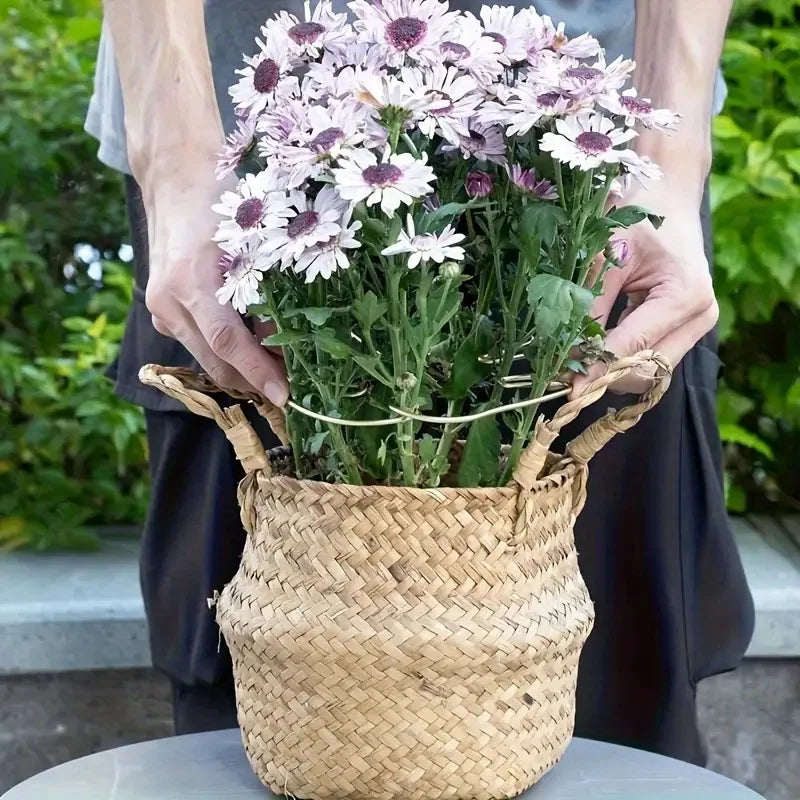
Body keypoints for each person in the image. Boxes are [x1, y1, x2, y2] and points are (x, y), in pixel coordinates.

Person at [89, 0, 754, 762]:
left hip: (588, 143)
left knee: (613, 705)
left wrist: (663, 154)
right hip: (241, 149)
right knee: (274, 707)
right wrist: (176, 160)